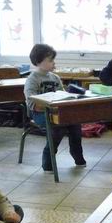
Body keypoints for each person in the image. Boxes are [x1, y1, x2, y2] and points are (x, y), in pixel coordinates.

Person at [23, 43, 86, 172]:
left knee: (75, 124)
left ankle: (77, 156)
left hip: (56, 111)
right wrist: (49, 107)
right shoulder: (32, 79)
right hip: (40, 113)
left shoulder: (55, 78)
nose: (53, 63)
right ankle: (48, 162)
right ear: (39, 61)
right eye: (50, 60)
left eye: (53, 60)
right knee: (57, 127)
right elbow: (32, 102)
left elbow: (63, 96)